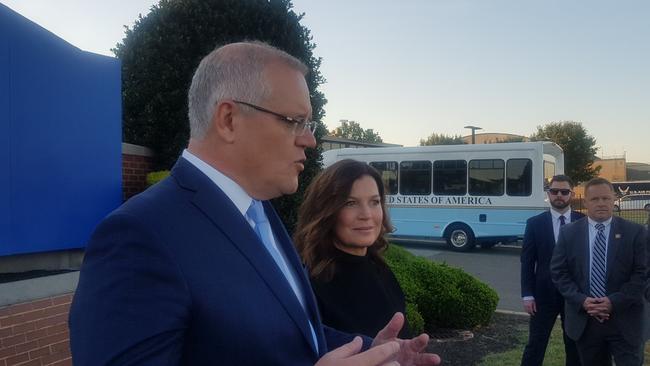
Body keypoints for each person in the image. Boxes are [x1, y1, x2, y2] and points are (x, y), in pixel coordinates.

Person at [69, 41, 441, 366]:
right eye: (294, 121)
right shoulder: (139, 235)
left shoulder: (260, 211)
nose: (309, 142)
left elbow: (295, 333)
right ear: (229, 119)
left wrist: (370, 352)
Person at [294, 159, 410, 339]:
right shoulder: (311, 284)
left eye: (374, 202)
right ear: (326, 211)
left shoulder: (380, 268)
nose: (366, 215)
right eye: (350, 203)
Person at [551, 177, 647, 366]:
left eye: (606, 198)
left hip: (626, 321)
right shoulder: (568, 233)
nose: (601, 203)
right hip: (586, 323)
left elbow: (642, 274)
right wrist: (583, 301)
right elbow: (559, 272)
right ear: (585, 202)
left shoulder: (636, 232)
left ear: (613, 200)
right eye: (595, 199)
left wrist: (613, 302)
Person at [520, 174, 583, 366]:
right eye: (555, 191)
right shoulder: (535, 223)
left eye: (564, 192)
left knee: (574, 343)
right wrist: (527, 295)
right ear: (549, 193)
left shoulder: (584, 222)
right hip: (543, 295)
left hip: (574, 294)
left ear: (571, 194)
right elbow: (528, 261)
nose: (559, 195)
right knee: (536, 343)